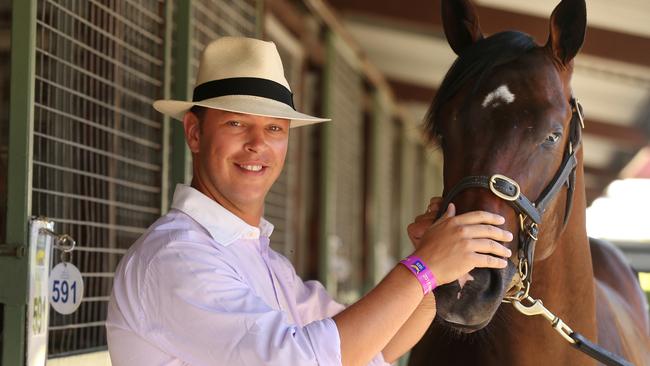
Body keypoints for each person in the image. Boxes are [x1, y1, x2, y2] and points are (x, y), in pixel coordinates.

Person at [106, 36, 512, 366]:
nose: (257, 145)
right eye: (235, 123)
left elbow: (374, 348)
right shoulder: (177, 257)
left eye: (274, 129)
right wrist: (422, 268)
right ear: (195, 133)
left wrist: (433, 271)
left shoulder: (265, 263)